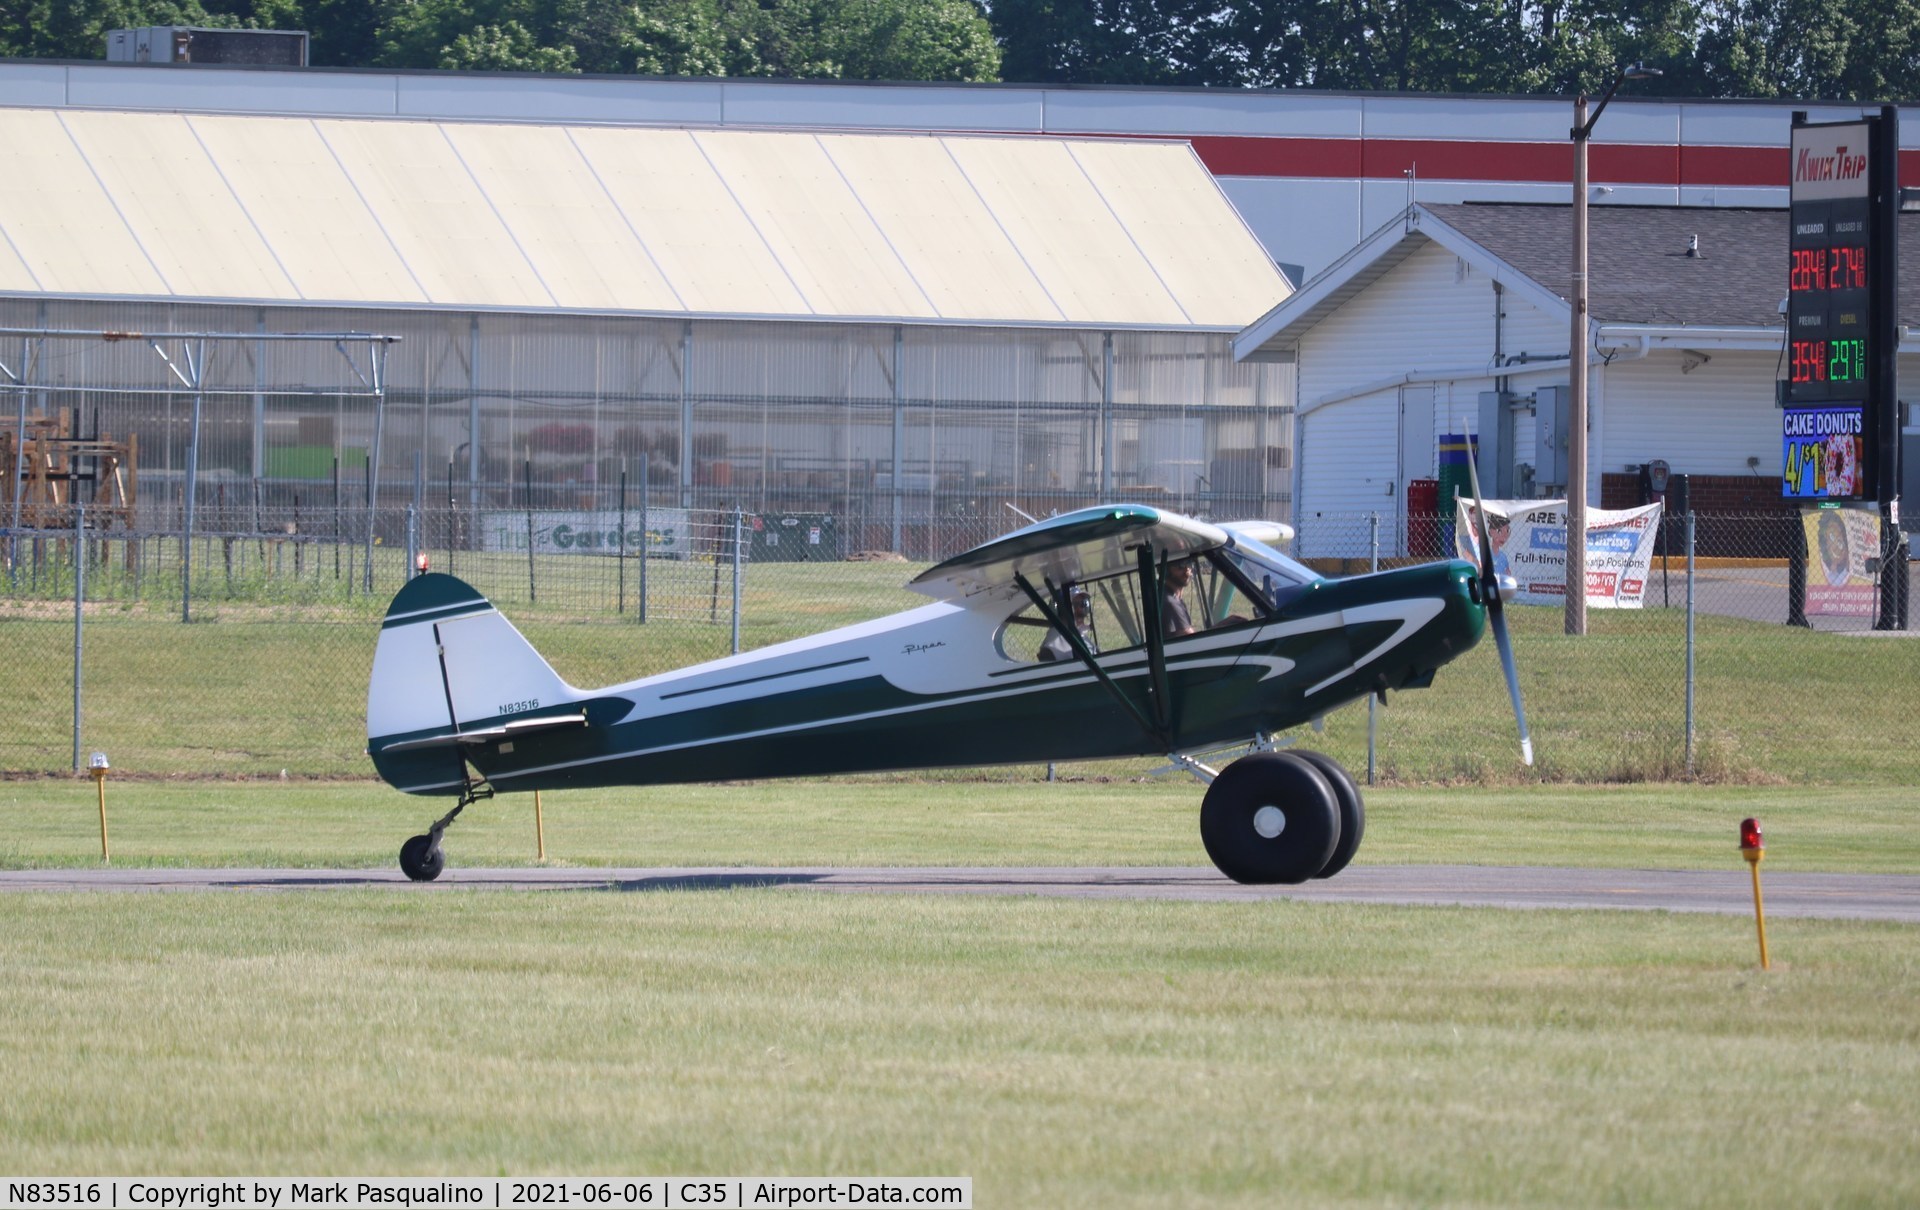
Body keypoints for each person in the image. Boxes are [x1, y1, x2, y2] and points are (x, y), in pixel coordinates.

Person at [1037, 586, 1093, 661]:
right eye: (1075, 605)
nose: (1082, 609)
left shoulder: (1079, 634)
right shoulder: (1053, 642)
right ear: (1060, 610)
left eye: (1084, 603)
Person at [1163, 560, 1196, 637]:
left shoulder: (1173, 597)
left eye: (1189, 564)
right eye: (1180, 566)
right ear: (1166, 570)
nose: (1187, 570)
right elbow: (1190, 636)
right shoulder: (1170, 601)